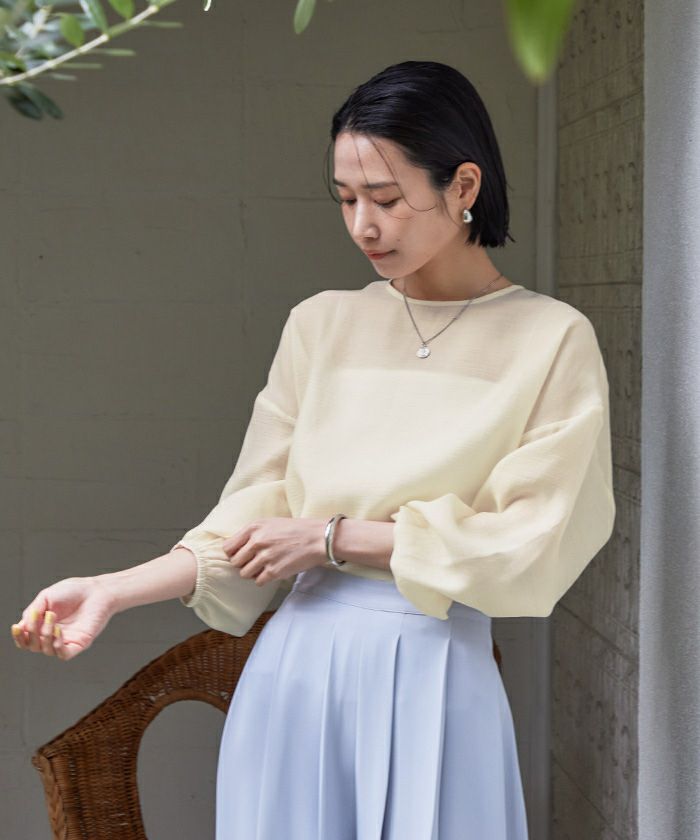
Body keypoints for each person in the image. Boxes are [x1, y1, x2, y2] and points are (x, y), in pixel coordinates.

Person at [11, 60, 616, 839]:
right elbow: (252, 519)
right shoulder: (321, 324)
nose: (363, 225)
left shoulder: (551, 339)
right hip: (295, 675)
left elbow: (533, 540)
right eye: (346, 199)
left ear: (463, 185)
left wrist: (333, 538)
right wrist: (110, 589)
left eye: (387, 199)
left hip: (433, 676)